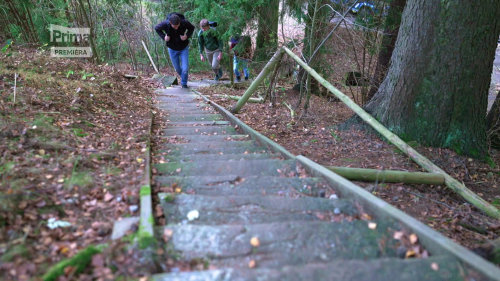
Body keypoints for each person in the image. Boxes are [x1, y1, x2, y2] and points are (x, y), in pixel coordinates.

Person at [155, 13, 195, 88]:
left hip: (183, 48)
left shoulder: (184, 22)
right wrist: (164, 37)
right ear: (170, 23)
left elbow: (192, 28)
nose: (176, 27)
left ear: (179, 22)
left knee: (185, 69)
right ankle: (184, 78)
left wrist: (187, 36)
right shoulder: (165, 24)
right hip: (172, 49)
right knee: (177, 69)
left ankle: (184, 84)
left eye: (178, 25)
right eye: (174, 26)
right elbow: (156, 28)